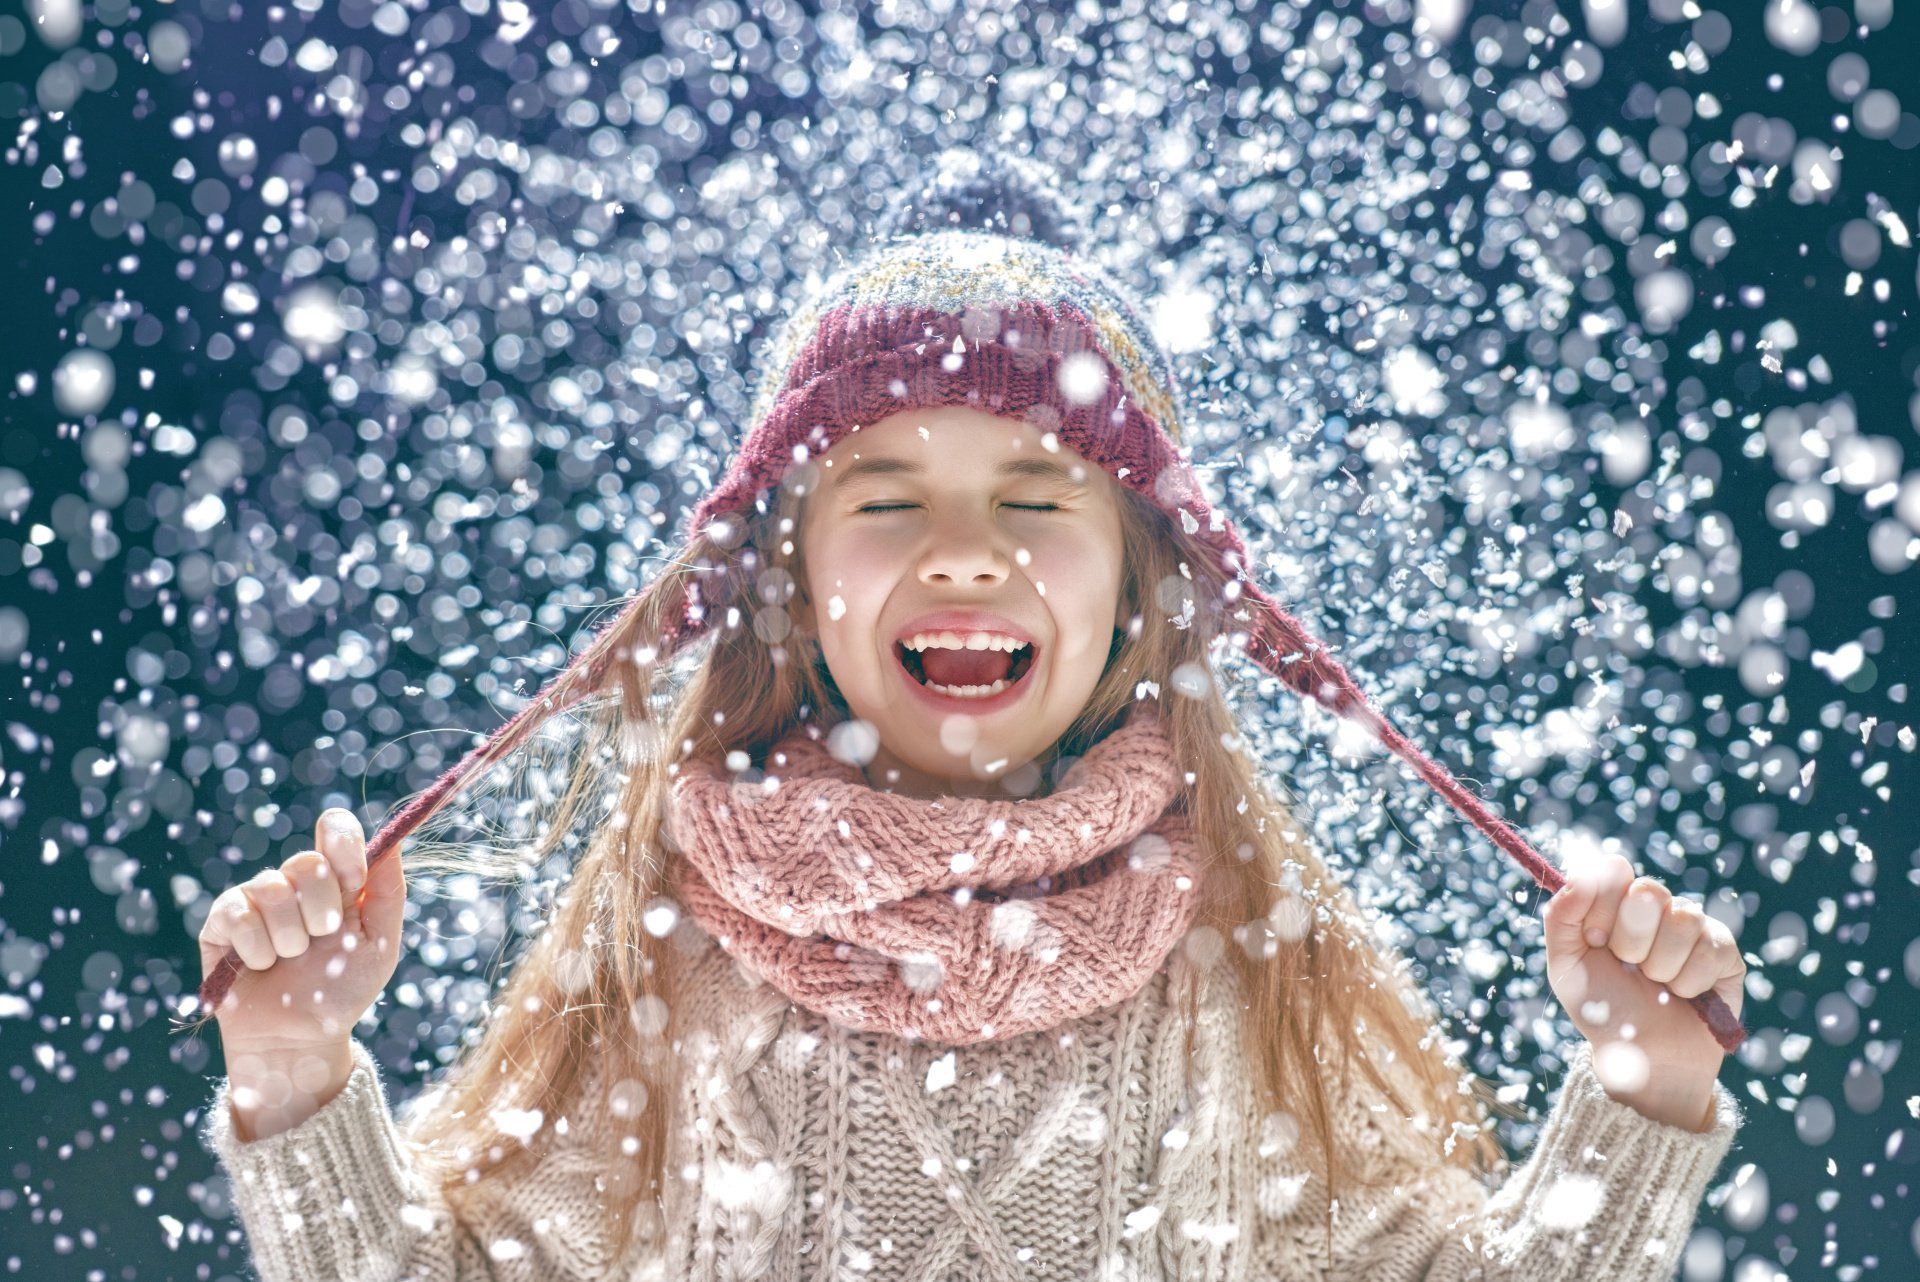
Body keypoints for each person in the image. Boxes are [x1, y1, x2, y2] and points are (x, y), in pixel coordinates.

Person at [198, 146, 1746, 1281]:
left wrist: (1647, 1087)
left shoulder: (1240, 969)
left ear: (1141, 588)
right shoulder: (665, 964)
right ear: (793, 582)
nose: (965, 551)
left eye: (1034, 494)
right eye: (886, 497)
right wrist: (293, 1067)